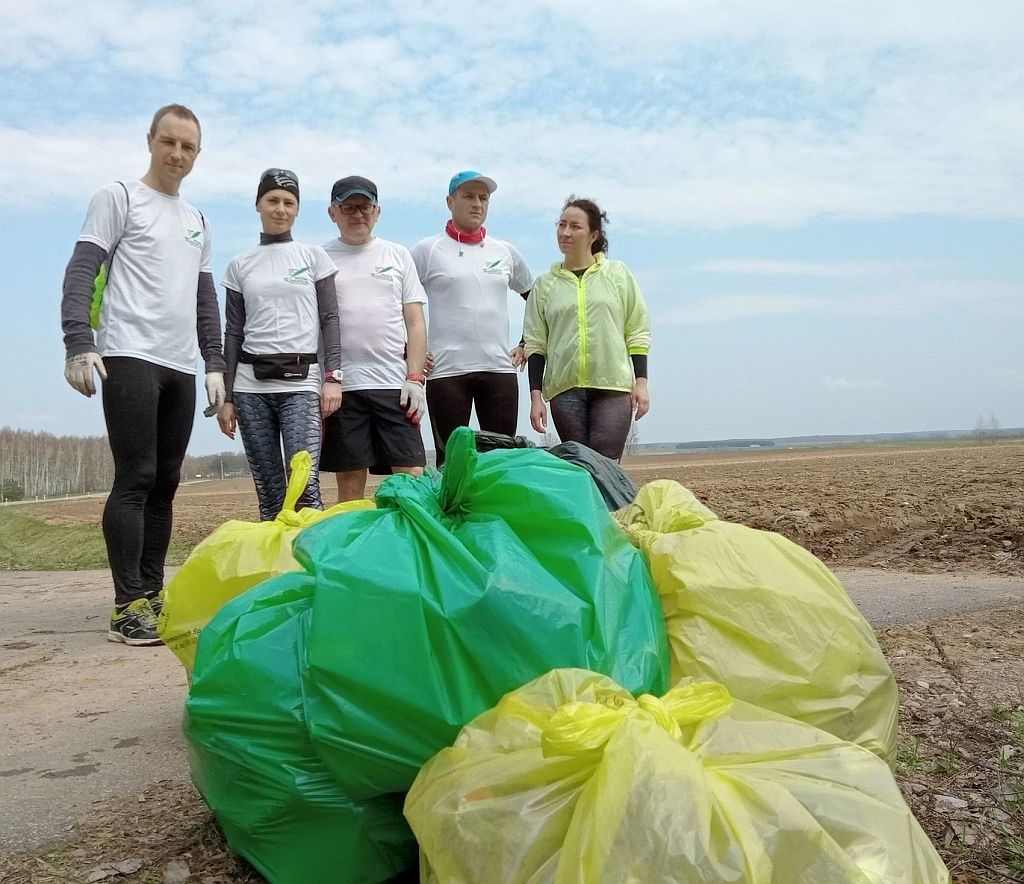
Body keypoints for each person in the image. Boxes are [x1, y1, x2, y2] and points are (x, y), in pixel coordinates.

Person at [60, 103, 225, 646]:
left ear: (197, 154)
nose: (177, 154)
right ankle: (126, 604)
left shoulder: (198, 221)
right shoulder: (119, 197)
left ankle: (152, 594)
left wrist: (215, 362)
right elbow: (83, 267)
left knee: (167, 483)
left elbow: (205, 298)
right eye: (169, 142)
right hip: (129, 353)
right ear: (151, 140)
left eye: (188, 147)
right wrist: (78, 343)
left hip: (180, 364)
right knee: (136, 476)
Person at [216, 168, 343, 520]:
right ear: (258, 204)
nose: (280, 209)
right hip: (249, 388)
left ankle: (312, 567)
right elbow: (233, 332)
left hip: (302, 385)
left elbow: (330, 320)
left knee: (305, 486)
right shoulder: (240, 265)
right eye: (272, 200)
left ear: (297, 210)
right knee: (269, 491)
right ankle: (276, 570)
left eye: (289, 202)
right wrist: (226, 397)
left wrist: (333, 377)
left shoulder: (314, 258)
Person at [410, 171, 533, 466]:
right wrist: (409, 351)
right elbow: (398, 303)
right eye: (468, 196)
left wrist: (528, 341)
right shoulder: (427, 251)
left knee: (501, 462)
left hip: (499, 371)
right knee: (450, 462)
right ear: (450, 201)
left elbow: (538, 299)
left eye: (483, 197)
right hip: (446, 373)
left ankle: (497, 513)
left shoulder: (505, 251)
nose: (477, 203)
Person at [320, 175, 428, 501]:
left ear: (377, 211)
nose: (358, 215)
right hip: (343, 389)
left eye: (365, 207)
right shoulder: (319, 259)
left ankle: (409, 548)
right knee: (351, 485)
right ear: (332, 213)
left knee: (411, 478)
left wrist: (415, 378)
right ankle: (354, 551)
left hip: (395, 387)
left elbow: (416, 323)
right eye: (349, 207)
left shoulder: (397, 255)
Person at [524, 196, 651, 461]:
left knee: (605, 465)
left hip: (613, 386)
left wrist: (641, 382)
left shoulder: (617, 274)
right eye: (561, 225)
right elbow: (536, 343)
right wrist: (536, 397)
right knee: (579, 466)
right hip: (564, 390)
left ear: (593, 234)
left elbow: (636, 329)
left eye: (575, 226)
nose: (565, 233)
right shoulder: (544, 285)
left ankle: (613, 504)